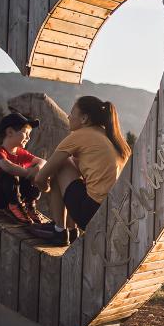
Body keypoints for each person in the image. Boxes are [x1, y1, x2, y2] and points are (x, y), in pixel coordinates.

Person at [29, 96, 131, 245]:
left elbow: (40, 178)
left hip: (90, 213)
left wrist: (45, 187)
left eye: (72, 113)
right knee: (72, 163)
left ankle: (59, 231)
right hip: (110, 214)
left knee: (62, 163)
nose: (68, 117)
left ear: (84, 118)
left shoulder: (80, 136)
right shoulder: (108, 136)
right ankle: (70, 230)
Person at [0, 112, 47, 224]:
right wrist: (29, 173)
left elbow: (43, 162)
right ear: (10, 132)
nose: (28, 137)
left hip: (16, 195)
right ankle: (14, 205)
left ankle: (29, 205)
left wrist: (36, 170)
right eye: (26, 133)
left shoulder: (21, 153)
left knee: (36, 172)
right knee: (9, 173)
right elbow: (7, 167)